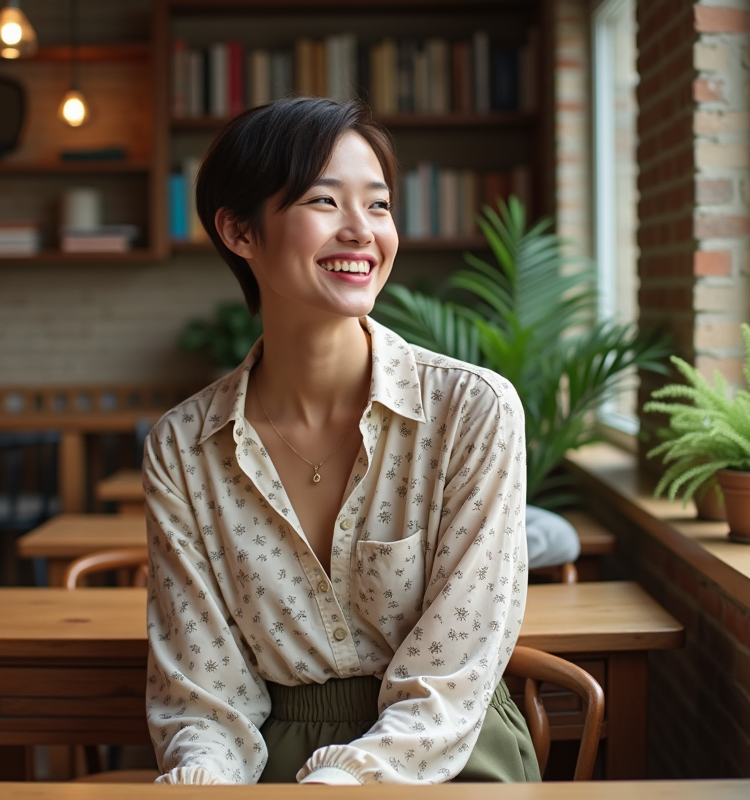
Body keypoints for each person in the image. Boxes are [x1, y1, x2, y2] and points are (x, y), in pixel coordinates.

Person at [143, 96, 538, 785]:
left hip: (448, 754)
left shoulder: (472, 410)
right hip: (272, 759)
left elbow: (456, 672)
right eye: (325, 202)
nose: (362, 231)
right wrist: (201, 781)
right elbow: (203, 697)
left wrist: (343, 783)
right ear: (239, 231)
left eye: (379, 206)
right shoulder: (183, 447)